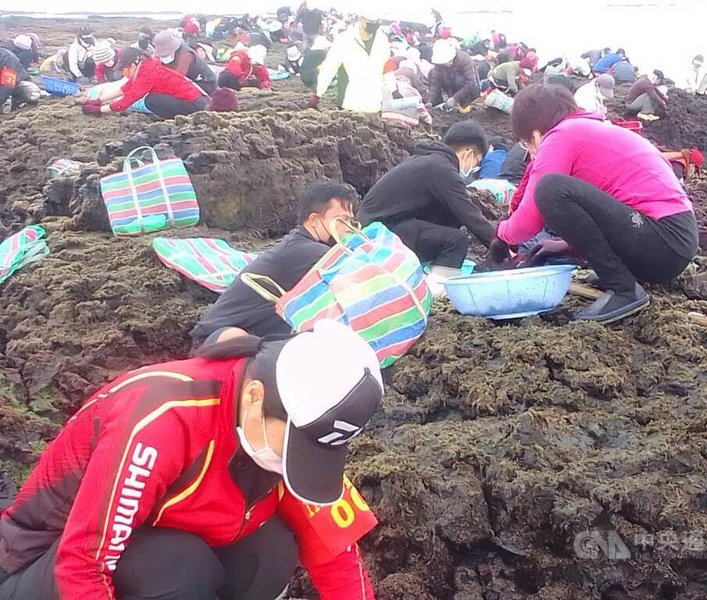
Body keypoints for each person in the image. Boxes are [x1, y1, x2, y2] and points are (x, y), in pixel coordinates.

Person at [0, 318, 384, 600]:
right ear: (253, 397)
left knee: (271, 552)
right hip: (40, 564)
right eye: (292, 446)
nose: (293, 462)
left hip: (159, 538)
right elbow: (82, 563)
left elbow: (337, 553)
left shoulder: (297, 429)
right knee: (179, 568)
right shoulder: (162, 419)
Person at [491, 85, 698, 323]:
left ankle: (623, 290)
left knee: (550, 188)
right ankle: (622, 277)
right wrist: (567, 246)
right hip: (668, 244)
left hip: (664, 241)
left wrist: (501, 233)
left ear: (535, 133)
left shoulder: (562, 135)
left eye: (527, 143)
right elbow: (601, 210)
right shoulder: (587, 129)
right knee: (556, 189)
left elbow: (529, 220)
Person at [191, 182, 358, 345]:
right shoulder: (306, 251)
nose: (349, 228)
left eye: (351, 221)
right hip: (216, 339)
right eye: (342, 221)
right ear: (314, 220)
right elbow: (361, 269)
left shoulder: (300, 244)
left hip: (255, 338)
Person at [357, 121, 495, 282]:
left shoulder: (427, 161)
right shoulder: (441, 169)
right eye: (477, 161)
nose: (474, 167)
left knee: (450, 219)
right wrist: (503, 246)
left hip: (375, 228)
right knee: (456, 241)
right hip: (381, 235)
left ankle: (421, 276)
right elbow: (470, 215)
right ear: (468, 153)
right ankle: (434, 289)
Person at [82, 47, 210, 119]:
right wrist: (99, 100)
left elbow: (125, 102)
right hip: (198, 98)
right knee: (152, 98)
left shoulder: (146, 75)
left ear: (132, 65)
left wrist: (99, 110)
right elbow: (125, 88)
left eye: (123, 69)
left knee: (151, 100)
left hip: (194, 104)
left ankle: (178, 118)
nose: (123, 73)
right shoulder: (146, 66)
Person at [307, 14, 390, 112]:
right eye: (371, 21)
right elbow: (329, 67)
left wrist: (394, 90)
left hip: (374, 104)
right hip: (349, 104)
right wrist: (318, 93)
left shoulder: (382, 39)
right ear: (361, 18)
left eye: (378, 22)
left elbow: (387, 66)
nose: (375, 24)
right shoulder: (344, 39)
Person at [154, 29, 217, 95]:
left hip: (205, 84)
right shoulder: (163, 57)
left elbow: (177, 79)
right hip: (188, 81)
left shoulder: (185, 55)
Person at [427, 39, 480, 112]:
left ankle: (465, 106)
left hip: (470, 90)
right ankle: (438, 103)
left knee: (459, 80)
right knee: (431, 73)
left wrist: (455, 98)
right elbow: (435, 83)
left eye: (449, 61)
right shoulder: (438, 65)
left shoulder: (464, 59)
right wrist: (430, 100)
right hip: (450, 86)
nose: (448, 64)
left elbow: (471, 82)